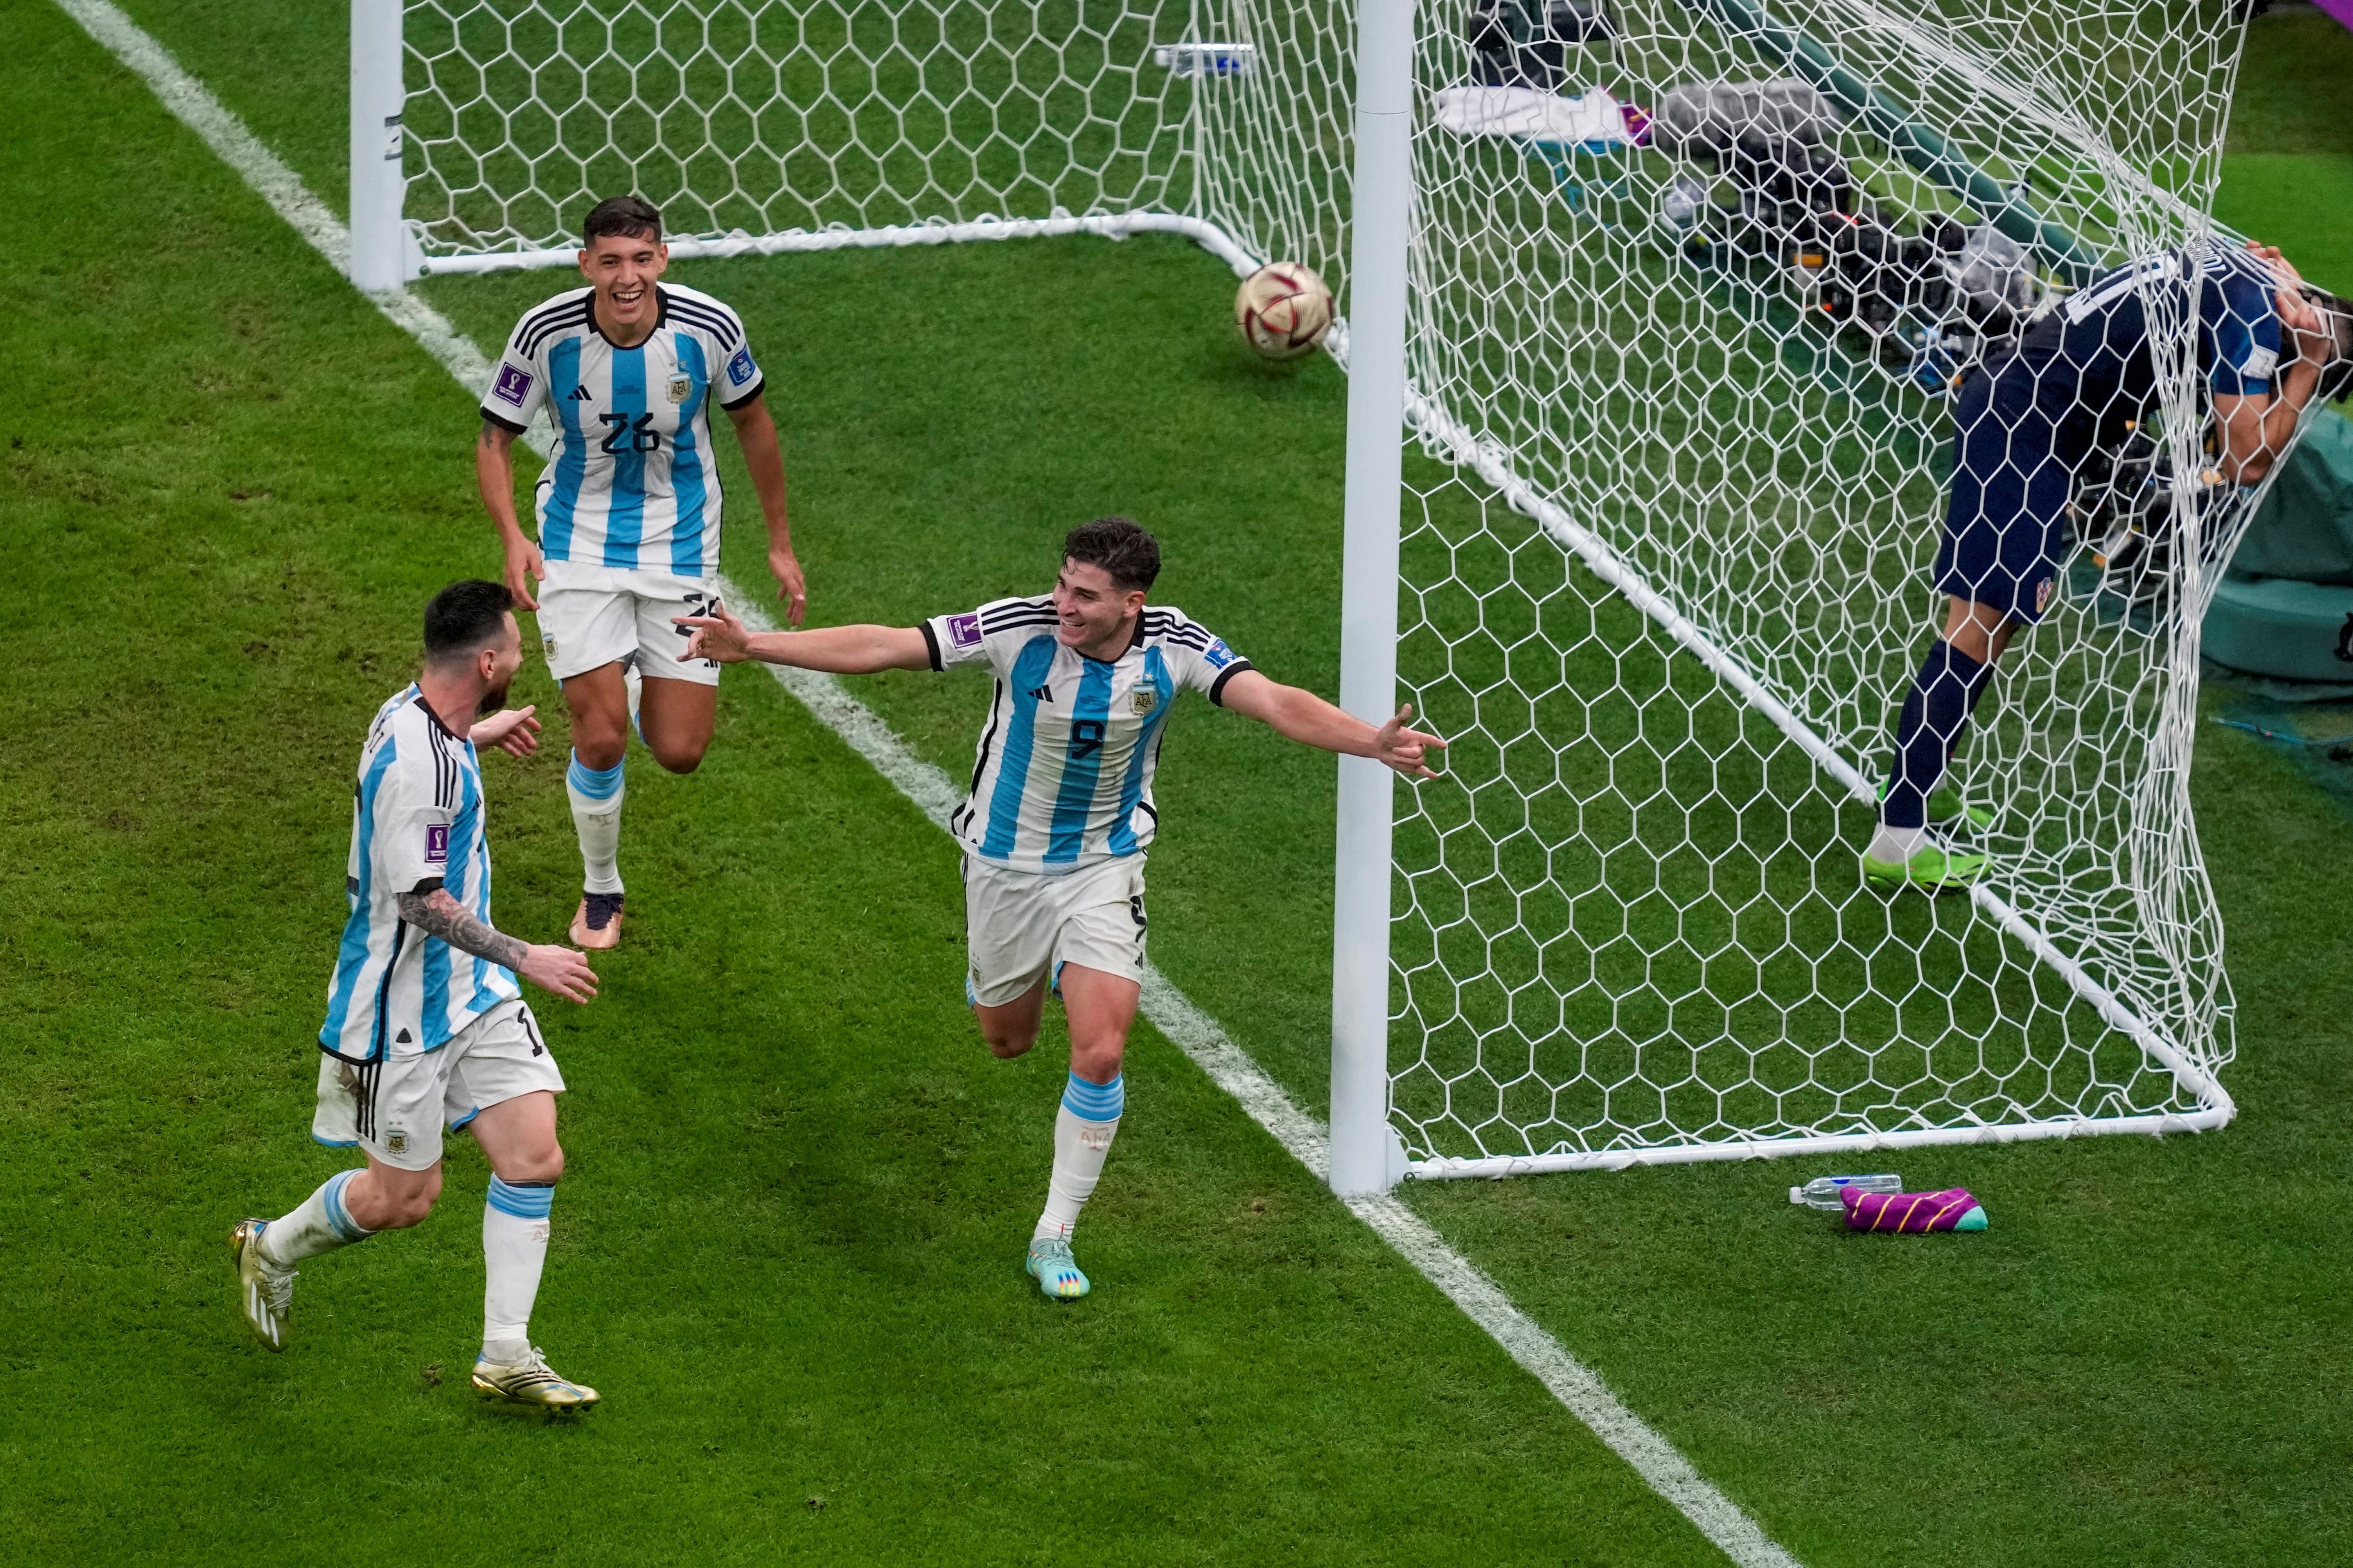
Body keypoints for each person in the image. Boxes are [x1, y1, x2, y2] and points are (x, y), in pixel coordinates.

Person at [675, 517, 1443, 1299]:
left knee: (1102, 1051)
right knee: (1007, 1041)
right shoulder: (1019, 628)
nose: (1063, 602)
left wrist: (1368, 742)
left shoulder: (1174, 644)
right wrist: (756, 645)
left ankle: (1054, 1233)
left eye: (1084, 593)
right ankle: (1040, 975)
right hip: (1004, 869)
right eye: (1062, 582)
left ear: (1132, 602)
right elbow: (886, 645)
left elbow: (1273, 700)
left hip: (1104, 867)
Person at [1865, 240, 2350, 890]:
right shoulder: (2260, 321)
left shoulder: (2255, 272)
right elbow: (2246, 460)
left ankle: (1920, 782)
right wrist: (2306, 370)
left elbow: (2277, 292)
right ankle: (1898, 833)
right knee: (1975, 629)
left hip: (2032, 418)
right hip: (2024, 429)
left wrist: (2299, 314)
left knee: (1996, 624)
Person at [233, 581, 604, 1410]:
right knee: (405, 1199)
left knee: (535, 1153)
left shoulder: (426, 714)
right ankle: (272, 1247)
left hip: (474, 994)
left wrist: (483, 728)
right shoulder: (422, 766)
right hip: (397, 1016)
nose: (517, 659)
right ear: (484, 661)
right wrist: (529, 955)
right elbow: (420, 902)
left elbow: (442, 742)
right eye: (512, 650)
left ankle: (506, 1352)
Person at [476, 194, 807, 950]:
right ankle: (602, 888)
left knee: (680, 752)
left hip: (681, 547)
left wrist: (780, 542)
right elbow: (495, 438)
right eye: (611, 261)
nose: (627, 277)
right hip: (576, 542)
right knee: (601, 741)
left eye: (641, 258)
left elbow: (754, 423)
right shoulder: (545, 332)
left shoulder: (711, 328)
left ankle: (620, 673)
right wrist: (513, 537)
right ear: (585, 263)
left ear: (663, 258)